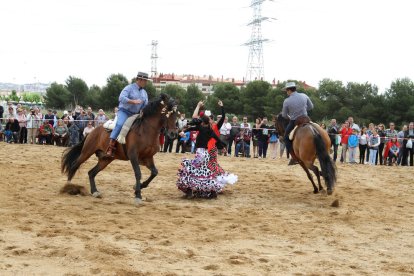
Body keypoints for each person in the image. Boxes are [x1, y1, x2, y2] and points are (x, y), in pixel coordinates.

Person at [177, 115, 237, 199]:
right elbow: (217, 139)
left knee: (190, 170)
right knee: (205, 173)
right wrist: (223, 147)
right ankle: (212, 192)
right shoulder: (210, 130)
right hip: (206, 154)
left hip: (200, 153)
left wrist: (183, 131)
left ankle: (190, 191)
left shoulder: (201, 128)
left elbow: (191, 128)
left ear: (202, 122)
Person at [106, 72, 150, 157]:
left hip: (136, 114)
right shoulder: (129, 88)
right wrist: (133, 101)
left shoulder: (144, 93)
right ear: (139, 80)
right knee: (119, 124)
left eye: (146, 81)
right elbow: (121, 98)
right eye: (145, 80)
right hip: (124, 112)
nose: (146, 82)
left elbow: (145, 105)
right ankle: (110, 147)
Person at [281, 82, 314, 165]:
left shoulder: (287, 101)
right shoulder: (304, 95)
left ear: (289, 90)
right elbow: (311, 107)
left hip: (295, 121)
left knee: (286, 138)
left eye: (286, 90)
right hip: (307, 119)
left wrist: (291, 115)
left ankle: (294, 157)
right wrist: (303, 109)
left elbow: (284, 115)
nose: (286, 92)